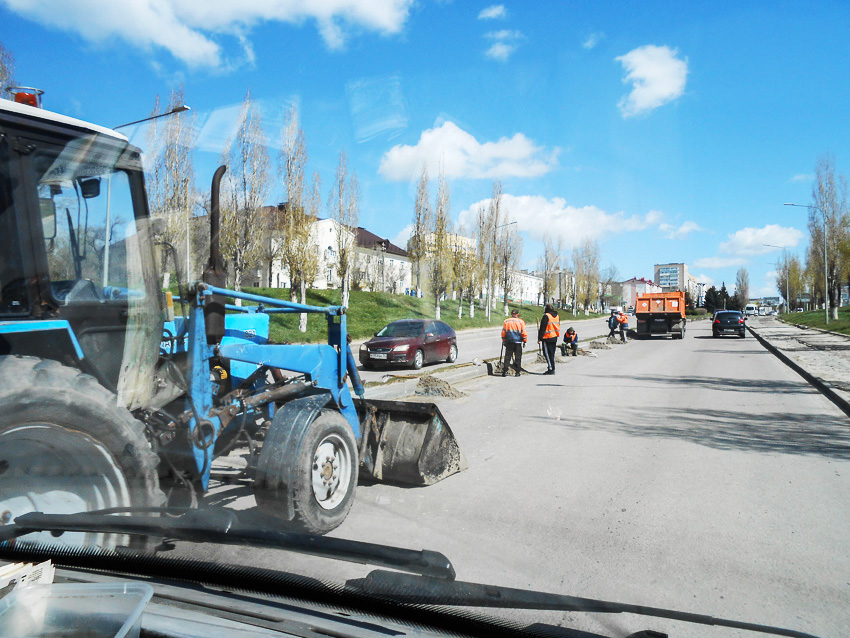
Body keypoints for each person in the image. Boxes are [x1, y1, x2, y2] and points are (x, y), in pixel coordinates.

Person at [501, 309, 527, 377]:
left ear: (511, 314)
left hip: (509, 341)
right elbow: (523, 332)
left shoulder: (506, 321)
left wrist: (503, 339)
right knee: (518, 357)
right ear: (518, 314)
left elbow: (503, 332)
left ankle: (505, 371)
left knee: (507, 356)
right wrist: (525, 340)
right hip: (518, 342)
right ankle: (517, 372)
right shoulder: (521, 322)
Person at [537, 303, 560, 375]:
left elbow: (542, 328)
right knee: (552, 354)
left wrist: (539, 338)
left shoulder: (546, 316)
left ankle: (551, 369)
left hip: (547, 337)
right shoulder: (556, 316)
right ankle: (552, 367)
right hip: (554, 336)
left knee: (547, 354)